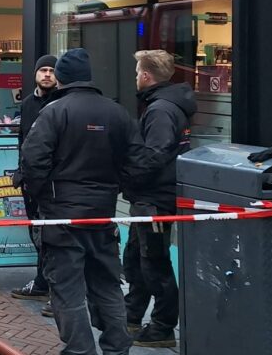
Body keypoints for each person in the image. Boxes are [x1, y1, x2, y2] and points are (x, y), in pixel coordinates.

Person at [19, 48, 145, 355]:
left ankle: (79, 350)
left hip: (62, 217)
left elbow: (33, 160)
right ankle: (117, 348)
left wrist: (40, 195)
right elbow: (140, 161)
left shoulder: (54, 111)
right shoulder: (117, 113)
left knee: (66, 289)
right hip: (102, 215)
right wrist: (115, 188)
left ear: (60, 77)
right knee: (107, 286)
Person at [122, 49, 194, 348]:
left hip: (154, 198)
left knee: (155, 262)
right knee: (136, 259)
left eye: (138, 71)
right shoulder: (163, 105)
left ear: (147, 76)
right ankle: (131, 314)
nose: (136, 76)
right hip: (149, 196)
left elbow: (155, 154)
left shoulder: (160, 110)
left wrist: (128, 174)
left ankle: (163, 326)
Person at [12, 55, 58, 312]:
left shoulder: (62, 103)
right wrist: (21, 171)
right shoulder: (28, 104)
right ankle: (41, 281)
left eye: (52, 70)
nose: (48, 74)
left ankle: (56, 289)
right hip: (30, 181)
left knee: (52, 237)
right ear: (35, 73)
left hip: (52, 184)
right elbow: (24, 140)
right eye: (43, 70)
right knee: (36, 234)